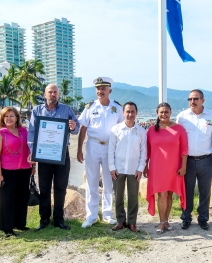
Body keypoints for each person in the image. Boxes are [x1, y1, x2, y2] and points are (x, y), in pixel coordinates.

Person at [28, 84, 79, 231]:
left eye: (55, 92)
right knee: (44, 188)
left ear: (59, 94)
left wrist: (73, 126)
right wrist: (33, 151)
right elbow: (32, 132)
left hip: (62, 153)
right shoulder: (37, 110)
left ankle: (58, 219)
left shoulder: (66, 109)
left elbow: (76, 129)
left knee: (60, 187)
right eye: (50, 92)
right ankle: (44, 219)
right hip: (43, 154)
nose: (53, 94)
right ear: (45, 94)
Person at [77, 77, 124, 228]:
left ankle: (108, 214)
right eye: (98, 88)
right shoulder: (90, 107)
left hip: (111, 147)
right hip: (93, 145)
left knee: (109, 181)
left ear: (109, 91)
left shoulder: (117, 108)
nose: (100, 91)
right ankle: (91, 216)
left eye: (103, 88)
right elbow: (83, 128)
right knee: (92, 181)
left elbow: (122, 129)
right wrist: (79, 149)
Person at [143, 102, 188, 234]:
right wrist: (145, 166)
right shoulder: (151, 130)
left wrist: (184, 166)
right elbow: (147, 150)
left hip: (174, 166)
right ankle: (161, 222)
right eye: (161, 112)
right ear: (157, 113)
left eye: (166, 112)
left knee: (169, 194)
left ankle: (166, 221)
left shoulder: (179, 129)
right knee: (162, 194)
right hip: (157, 167)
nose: (164, 114)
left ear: (170, 112)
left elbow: (184, 150)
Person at [176, 89, 212, 230]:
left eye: (196, 99)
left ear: (203, 100)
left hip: (206, 159)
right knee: (187, 191)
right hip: (188, 161)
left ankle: (203, 218)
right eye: (190, 99)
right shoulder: (182, 117)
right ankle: (186, 218)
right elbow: (178, 140)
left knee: (205, 191)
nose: (192, 102)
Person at [0, 107, 33, 237]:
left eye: (12, 116)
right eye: (6, 116)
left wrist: (33, 166)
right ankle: (7, 228)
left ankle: (20, 224)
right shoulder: (0, 134)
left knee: (22, 198)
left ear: (17, 118)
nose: (9, 118)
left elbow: (30, 149)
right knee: (7, 199)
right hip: (7, 171)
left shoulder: (24, 131)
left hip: (25, 169)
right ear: (2, 119)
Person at [108, 101, 147, 232]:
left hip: (133, 169)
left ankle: (132, 222)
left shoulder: (141, 131)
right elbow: (110, 150)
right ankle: (120, 221)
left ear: (136, 113)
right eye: (128, 111)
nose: (130, 114)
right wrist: (112, 167)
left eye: (133, 112)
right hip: (118, 168)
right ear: (123, 113)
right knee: (118, 195)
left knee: (133, 197)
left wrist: (141, 168)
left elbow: (144, 152)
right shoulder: (116, 129)